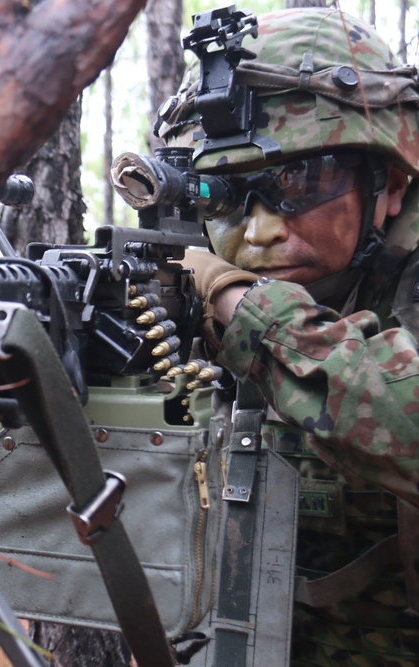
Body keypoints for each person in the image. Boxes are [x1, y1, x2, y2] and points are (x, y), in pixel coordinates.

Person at [157, 6, 419, 665]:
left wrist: (236, 302)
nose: (259, 231)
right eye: (227, 194)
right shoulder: (191, 285)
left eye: (300, 180)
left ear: (388, 184)